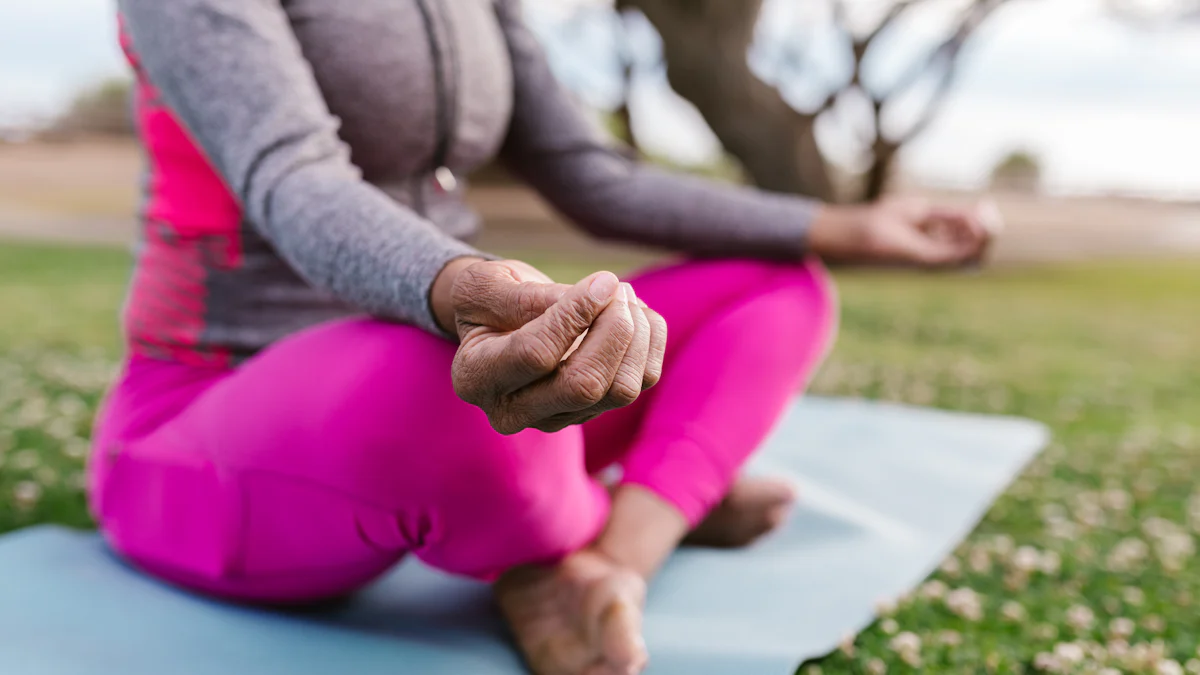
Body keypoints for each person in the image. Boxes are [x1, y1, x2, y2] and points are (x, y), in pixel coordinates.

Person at [90, 1, 994, 673]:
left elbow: (589, 175)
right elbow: (293, 177)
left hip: (447, 361)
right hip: (206, 424)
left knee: (775, 282)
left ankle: (608, 561)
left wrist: (843, 226)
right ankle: (641, 497)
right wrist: (470, 287)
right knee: (433, 379)